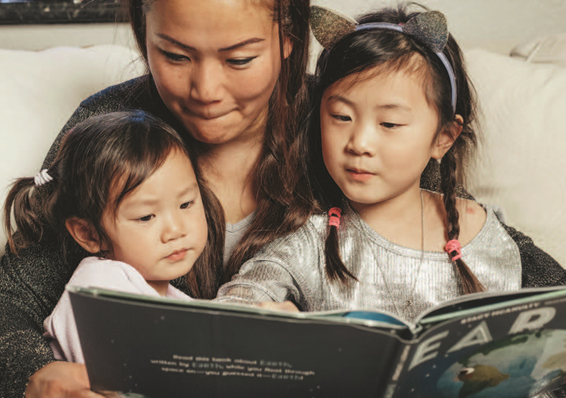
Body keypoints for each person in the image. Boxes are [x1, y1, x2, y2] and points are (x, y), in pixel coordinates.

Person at [0, 0, 314, 398]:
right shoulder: (112, 130)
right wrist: (34, 379)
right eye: (174, 55)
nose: (206, 91)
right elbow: (8, 307)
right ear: (142, 31)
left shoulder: (347, 120)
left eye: (239, 59)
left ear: (288, 37)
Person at [217, 5, 566, 322]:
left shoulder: (491, 236)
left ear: (443, 137)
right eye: (340, 116)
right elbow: (235, 305)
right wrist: (264, 318)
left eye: (389, 124)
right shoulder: (305, 244)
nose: (359, 143)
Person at [3, 111, 217, 364]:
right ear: (89, 234)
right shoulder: (97, 288)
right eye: (146, 217)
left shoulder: (174, 299)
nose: (176, 230)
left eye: (186, 204)